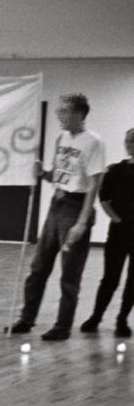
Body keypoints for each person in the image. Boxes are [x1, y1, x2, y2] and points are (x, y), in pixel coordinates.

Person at [10, 93, 106, 340]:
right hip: (57, 206)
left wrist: (82, 222)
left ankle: (62, 326)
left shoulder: (93, 142)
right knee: (38, 267)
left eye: (64, 112)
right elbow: (58, 174)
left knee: (69, 273)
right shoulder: (61, 138)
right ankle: (26, 318)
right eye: (59, 112)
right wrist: (42, 173)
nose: (59, 116)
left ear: (78, 114)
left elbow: (94, 183)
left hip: (76, 207)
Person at [80, 127, 134, 337]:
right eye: (128, 140)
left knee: (133, 280)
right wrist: (116, 219)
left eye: (133, 140)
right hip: (119, 230)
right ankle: (96, 316)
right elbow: (104, 199)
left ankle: (122, 319)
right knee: (110, 277)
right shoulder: (114, 171)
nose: (130, 144)